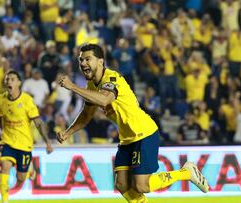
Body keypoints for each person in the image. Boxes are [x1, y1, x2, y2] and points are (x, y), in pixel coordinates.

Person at [56, 44, 209, 203]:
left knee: (141, 185)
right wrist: (68, 132)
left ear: (101, 61)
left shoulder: (112, 78)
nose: (83, 63)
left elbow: (104, 99)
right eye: (81, 60)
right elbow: (86, 114)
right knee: (122, 184)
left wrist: (72, 87)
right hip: (127, 139)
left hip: (143, 133)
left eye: (88, 59)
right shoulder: (92, 85)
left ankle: (186, 172)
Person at [0, 70, 53, 203]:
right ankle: (4, 200)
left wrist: (47, 142)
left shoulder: (27, 100)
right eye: (7, 79)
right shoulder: (1, 99)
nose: (9, 81)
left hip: (24, 144)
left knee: (21, 178)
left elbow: (38, 122)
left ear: (19, 83)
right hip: (7, 141)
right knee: (4, 165)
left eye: (12, 79)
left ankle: (30, 171)